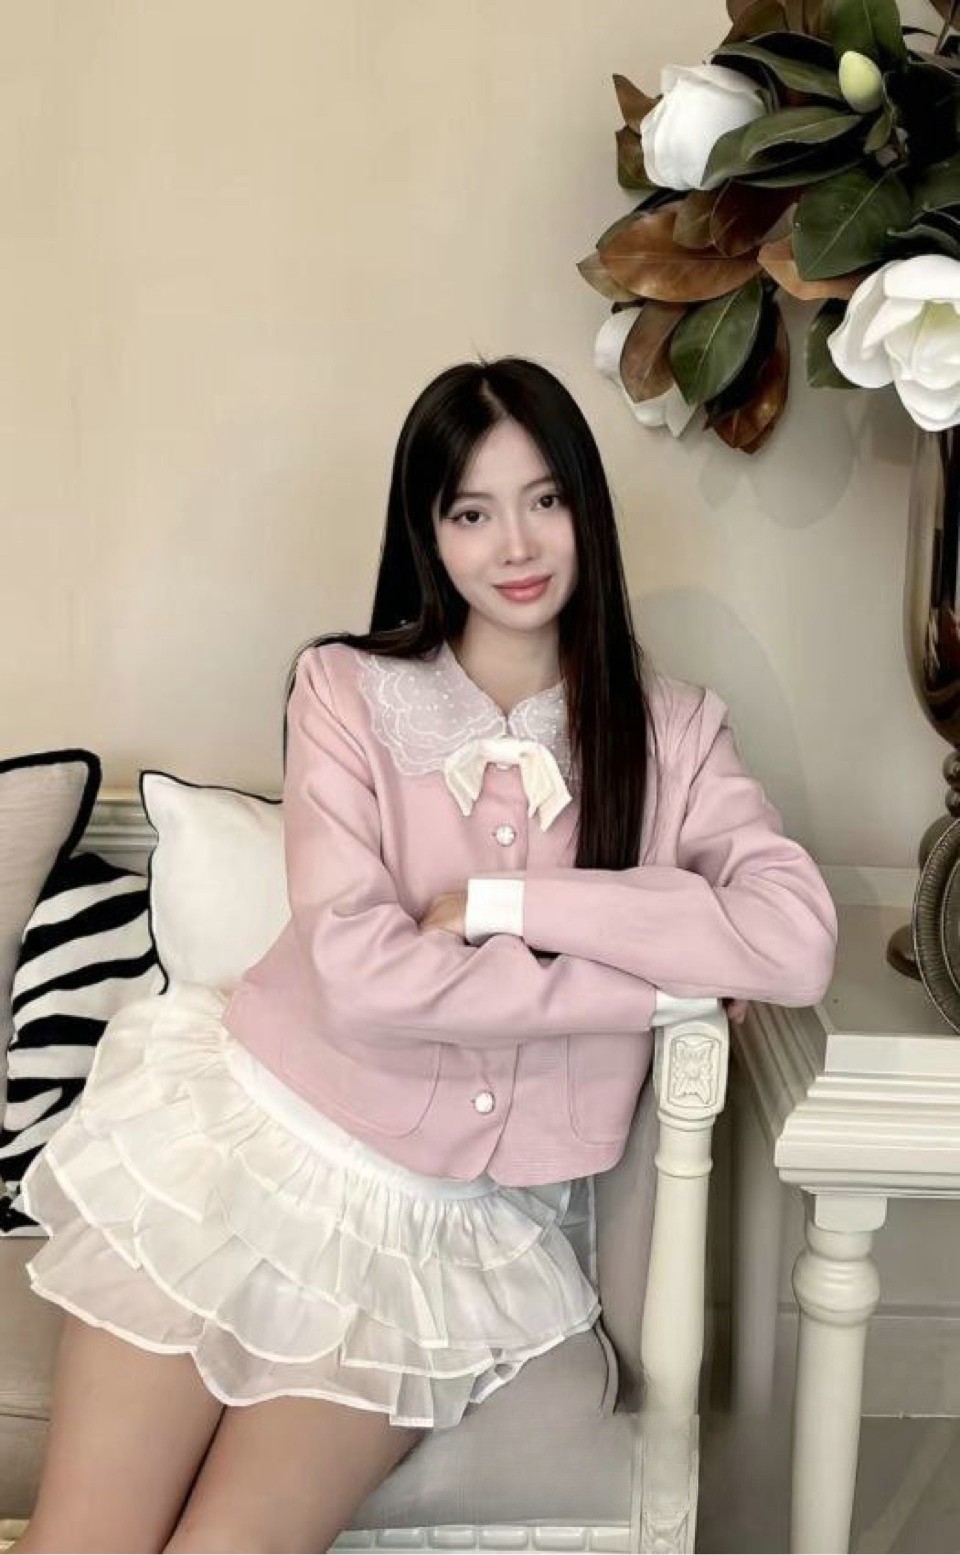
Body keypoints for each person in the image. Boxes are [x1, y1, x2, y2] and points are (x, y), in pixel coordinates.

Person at [13, 355, 838, 1554]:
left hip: (431, 1236)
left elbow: (795, 939)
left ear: (588, 508)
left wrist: (512, 903)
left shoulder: (675, 733)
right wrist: (648, 981)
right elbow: (364, 973)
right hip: (242, 1146)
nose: (517, 544)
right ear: (429, 533)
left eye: (545, 499)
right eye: (472, 511)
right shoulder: (345, 690)